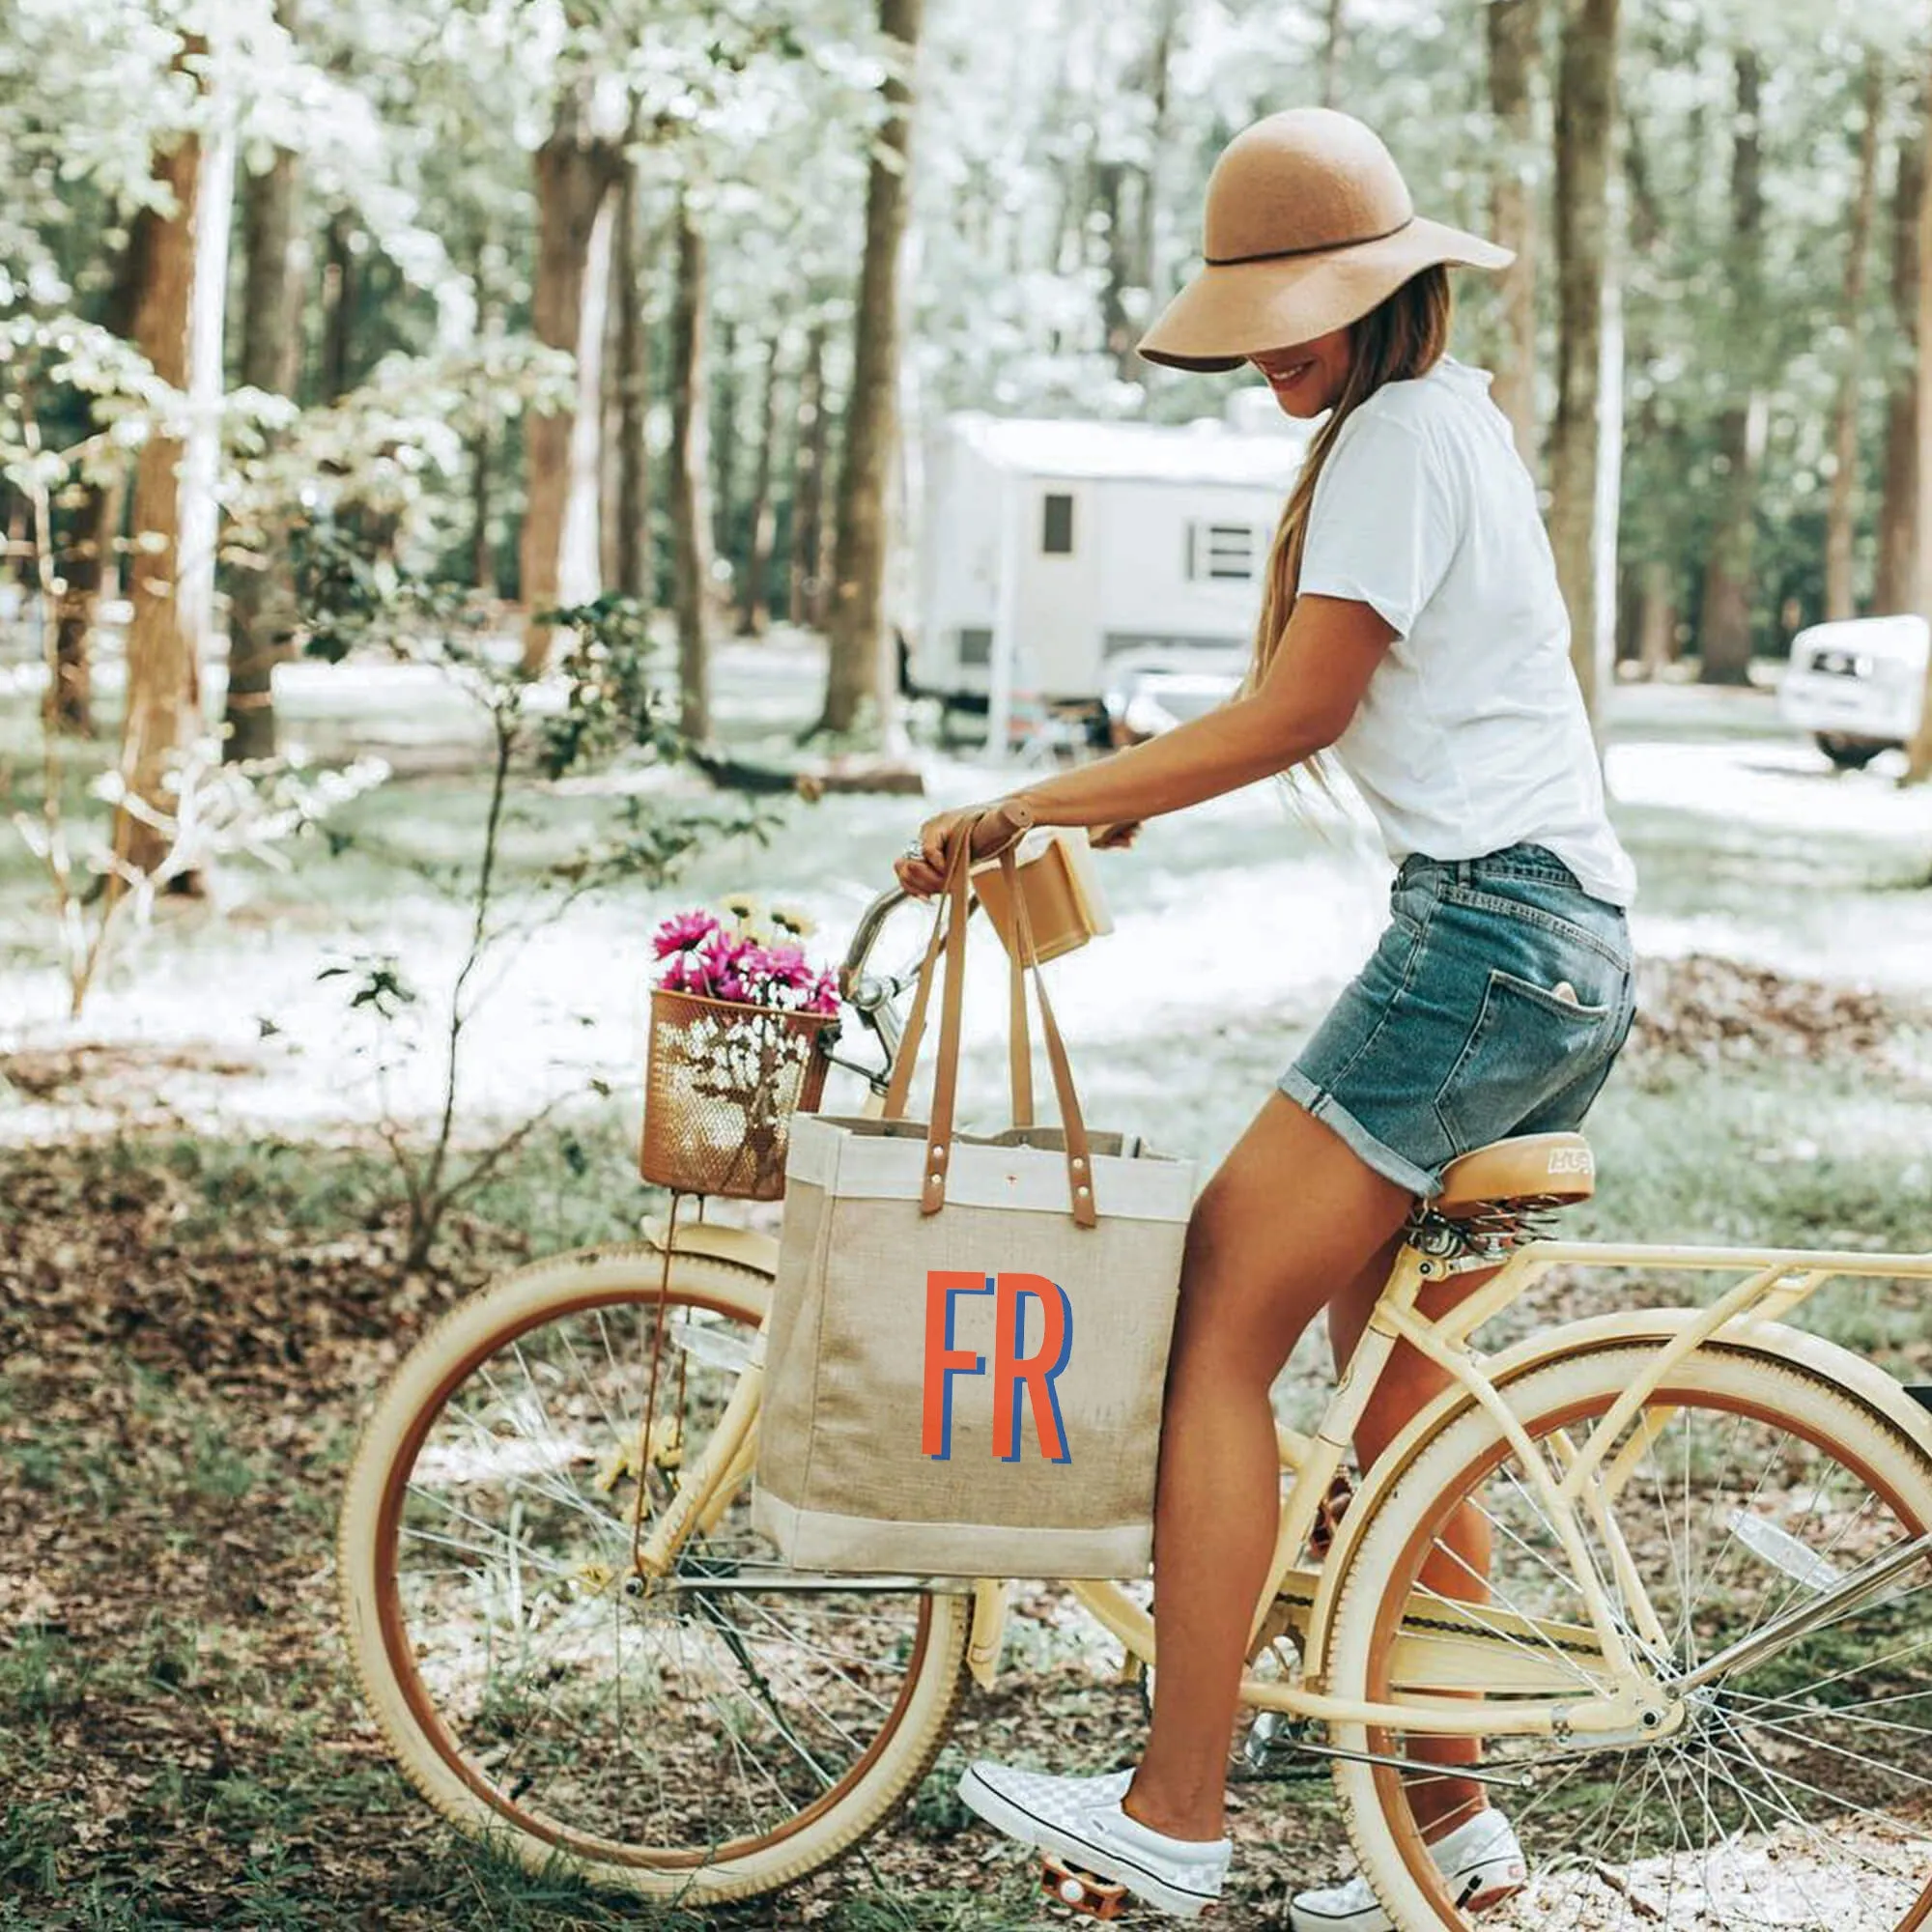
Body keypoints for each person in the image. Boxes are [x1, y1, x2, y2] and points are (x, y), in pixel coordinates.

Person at [892, 105, 1637, 1926]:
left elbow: (1301, 711)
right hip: (1569, 943)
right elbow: (1307, 705)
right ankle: (1447, 1835)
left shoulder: (1392, 438)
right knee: (1401, 1406)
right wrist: (1116, 800)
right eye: (1262, 310)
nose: (1281, 342)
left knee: (1216, 1316)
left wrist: (1037, 804)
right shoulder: (1436, 425)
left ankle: (1176, 1807)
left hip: (1488, 938)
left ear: (1388, 297)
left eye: (1309, 303)